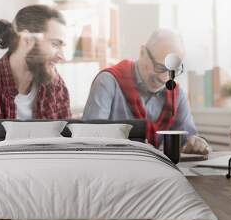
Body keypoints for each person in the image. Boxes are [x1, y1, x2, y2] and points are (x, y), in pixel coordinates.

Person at [83, 29, 211, 155]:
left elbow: (188, 139)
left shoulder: (176, 95)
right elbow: (91, 138)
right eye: (160, 67)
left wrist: (196, 143)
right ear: (142, 52)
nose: (164, 79)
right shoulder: (107, 82)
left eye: (173, 70)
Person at [0, 4, 71, 139]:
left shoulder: (55, 86)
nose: (62, 57)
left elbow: (67, 141)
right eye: (55, 44)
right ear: (27, 40)